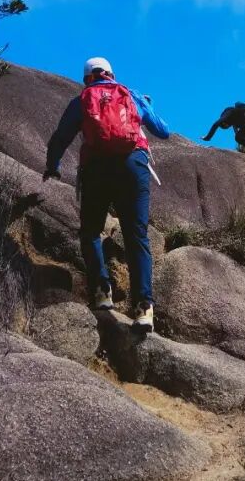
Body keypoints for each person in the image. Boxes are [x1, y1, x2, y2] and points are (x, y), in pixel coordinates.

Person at [44, 56, 168, 332]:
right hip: (133, 166)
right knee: (137, 236)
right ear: (111, 75)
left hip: (96, 168)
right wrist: (145, 105)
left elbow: (60, 138)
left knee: (90, 232)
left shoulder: (83, 100)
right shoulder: (130, 95)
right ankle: (144, 308)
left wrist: (52, 167)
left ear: (88, 77)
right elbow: (164, 131)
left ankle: (102, 293)